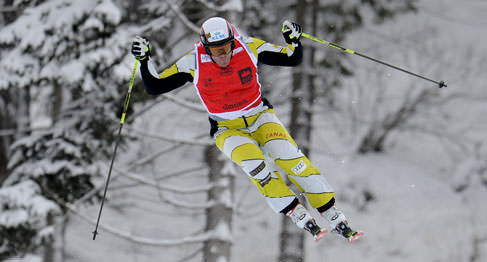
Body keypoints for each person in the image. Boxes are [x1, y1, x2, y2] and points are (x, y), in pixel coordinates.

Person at [131, 17, 363, 242]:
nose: (223, 55)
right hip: (227, 129)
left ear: (233, 41)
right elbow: (155, 85)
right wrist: (144, 60)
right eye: (216, 50)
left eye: (226, 48)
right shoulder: (193, 62)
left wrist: (293, 39)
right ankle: (295, 210)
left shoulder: (249, 47)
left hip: (260, 117)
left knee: (291, 158)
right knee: (256, 165)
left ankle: (331, 212)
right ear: (205, 47)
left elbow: (292, 58)